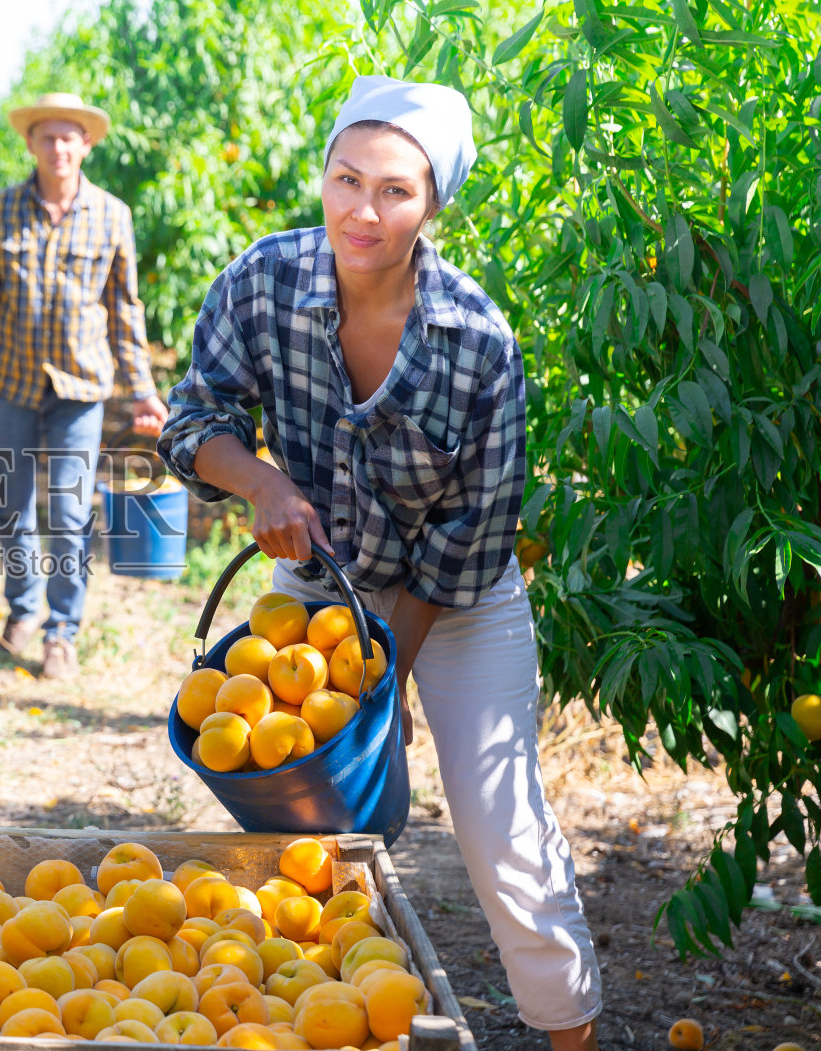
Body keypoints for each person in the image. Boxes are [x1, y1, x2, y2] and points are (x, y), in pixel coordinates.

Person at [158, 77, 602, 1049]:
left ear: (434, 204)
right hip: (320, 578)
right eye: (346, 179)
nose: (363, 210)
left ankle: (571, 1035)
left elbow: (471, 537)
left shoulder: (475, 340)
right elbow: (193, 420)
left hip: (458, 600)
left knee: (502, 830)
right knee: (301, 832)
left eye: (395, 190)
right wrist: (263, 482)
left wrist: (380, 679)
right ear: (323, 176)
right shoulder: (264, 281)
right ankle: (319, 1021)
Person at [0, 91, 168, 680]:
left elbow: (124, 308)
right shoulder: (0, 211)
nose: (58, 147)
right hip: (14, 381)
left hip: (80, 388)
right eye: (47, 137)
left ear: (86, 145)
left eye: (69, 137)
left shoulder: (111, 215)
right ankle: (22, 612)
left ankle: (62, 630)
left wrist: (142, 389)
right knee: (13, 504)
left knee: (69, 507)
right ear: (30, 143)